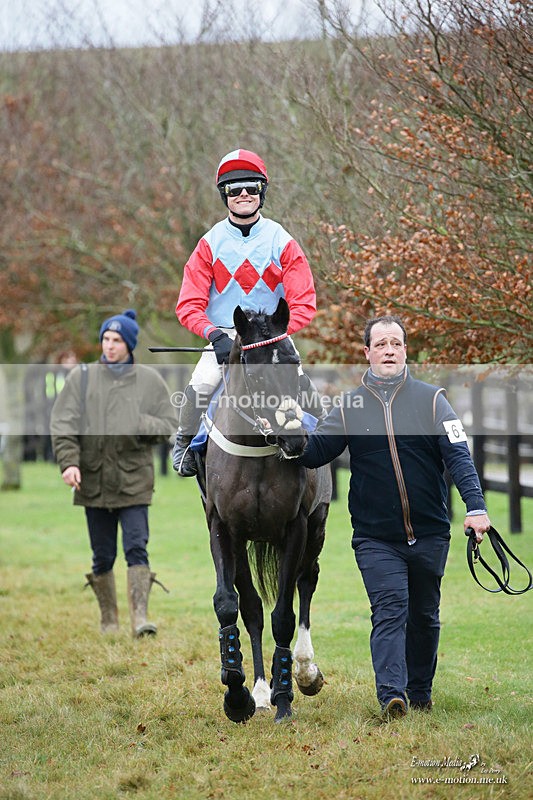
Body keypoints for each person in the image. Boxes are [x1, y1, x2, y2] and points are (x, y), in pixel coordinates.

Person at [298, 315, 491, 719]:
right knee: (390, 609)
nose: (389, 350)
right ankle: (392, 696)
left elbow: (459, 457)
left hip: (430, 533)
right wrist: (288, 434)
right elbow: (315, 453)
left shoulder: (434, 400)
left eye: (396, 343)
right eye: (381, 344)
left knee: (424, 616)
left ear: (405, 351)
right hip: (375, 537)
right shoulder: (349, 405)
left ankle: (419, 693)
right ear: (366, 353)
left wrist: (475, 508)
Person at [172, 148, 319, 477]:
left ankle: (324, 436)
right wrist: (213, 335)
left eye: (251, 187)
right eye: (233, 189)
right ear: (224, 195)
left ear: (261, 192)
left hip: (274, 336)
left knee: (301, 384)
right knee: (201, 383)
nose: (242, 195)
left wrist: (278, 333)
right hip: (225, 335)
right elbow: (188, 305)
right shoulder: (208, 244)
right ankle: (184, 445)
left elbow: (305, 302)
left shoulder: (283, 242)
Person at [50, 310, 178, 637]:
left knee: (137, 547)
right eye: (106, 339)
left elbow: (169, 425)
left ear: (130, 344)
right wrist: (70, 463)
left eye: (117, 340)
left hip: (134, 479)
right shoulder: (81, 379)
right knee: (102, 553)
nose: (109, 346)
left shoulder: (150, 381)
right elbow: (63, 424)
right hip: (92, 479)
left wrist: (139, 422)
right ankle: (109, 621)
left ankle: (140, 619)